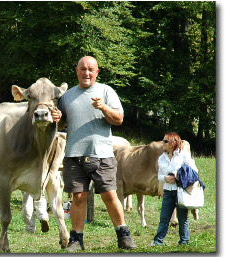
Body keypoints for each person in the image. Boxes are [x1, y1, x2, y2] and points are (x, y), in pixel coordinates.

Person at [51, 56, 137, 251]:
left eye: (91, 69)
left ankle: (123, 235)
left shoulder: (106, 91)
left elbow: (119, 119)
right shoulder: (67, 96)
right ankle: (76, 240)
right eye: (83, 69)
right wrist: (57, 118)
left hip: (102, 154)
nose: (87, 73)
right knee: (79, 197)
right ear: (77, 71)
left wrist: (103, 107)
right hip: (74, 155)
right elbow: (63, 123)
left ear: (97, 72)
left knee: (109, 195)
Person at [151, 132, 198, 246]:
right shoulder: (161, 158)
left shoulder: (183, 156)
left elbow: (193, 171)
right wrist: (165, 178)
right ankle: (158, 241)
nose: (163, 143)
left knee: (182, 218)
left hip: (180, 190)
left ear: (173, 143)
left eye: (165, 141)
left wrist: (177, 175)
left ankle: (184, 241)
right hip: (168, 192)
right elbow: (159, 175)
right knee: (164, 218)